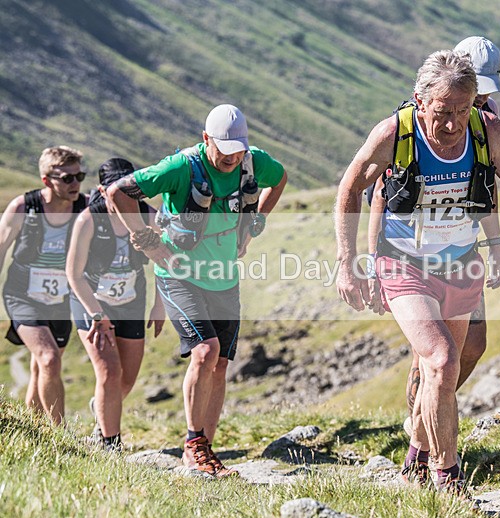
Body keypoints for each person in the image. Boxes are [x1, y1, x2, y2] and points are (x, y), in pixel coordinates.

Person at [335, 50, 500, 493]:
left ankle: (415, 460)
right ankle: (449, 476)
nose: (452, 124)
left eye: (462, 110)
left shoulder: (486, 129)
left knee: (439, 371)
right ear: (420, 102)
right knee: (441, 360)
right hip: (404, 265)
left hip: (461, 265)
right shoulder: (394, 133)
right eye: (442, 113)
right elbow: (350, 188)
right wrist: (349, 263)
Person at [107, 104, 287, 477]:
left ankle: (206, 451)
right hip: (178, 274)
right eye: (223, 150)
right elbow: (118, 193)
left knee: (220, 365)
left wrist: (256, 223)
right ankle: (193, 445)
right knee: (205, 351)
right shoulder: (179, 168)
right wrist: (147, 242)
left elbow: (281, 178)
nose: (232, 158)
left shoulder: (253, 162)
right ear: (206, 139)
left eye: (237, 150)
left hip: (223, 276)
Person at [366, 36, 500, 437]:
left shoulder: (485, 120)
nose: (478, 104)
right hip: (411, 255)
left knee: (472, 347)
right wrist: (372, 259)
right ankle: (421, 433)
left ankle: (426, 420)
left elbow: (486, 187)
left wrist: (495, 245)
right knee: (434, 354)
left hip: (461, 251)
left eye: (483, 94)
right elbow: (379, 193)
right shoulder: (413, 124)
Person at [66, 158, 165, 451]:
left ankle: (102, 408)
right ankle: (110, 444)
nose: (123, 199)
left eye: (130, 192)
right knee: (108, 372)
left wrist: (160, 306)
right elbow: (73, 273)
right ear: (102, 190)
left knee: (126, 379)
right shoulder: (88, 220)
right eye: (114, 192)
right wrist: (97, 313)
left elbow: (166, 263)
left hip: (131, 302)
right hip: (90, 302)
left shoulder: (149, 215)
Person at [0, 146, 88, 424]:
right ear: (47, 180)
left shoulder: (84, 207)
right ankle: (60, 436)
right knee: (49, 358)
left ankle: (34, 431)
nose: (75, 184)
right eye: (67, 178)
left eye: (79, 176)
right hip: (22, 295)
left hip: (61, 299)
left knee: (42, 368)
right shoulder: (24, 207)